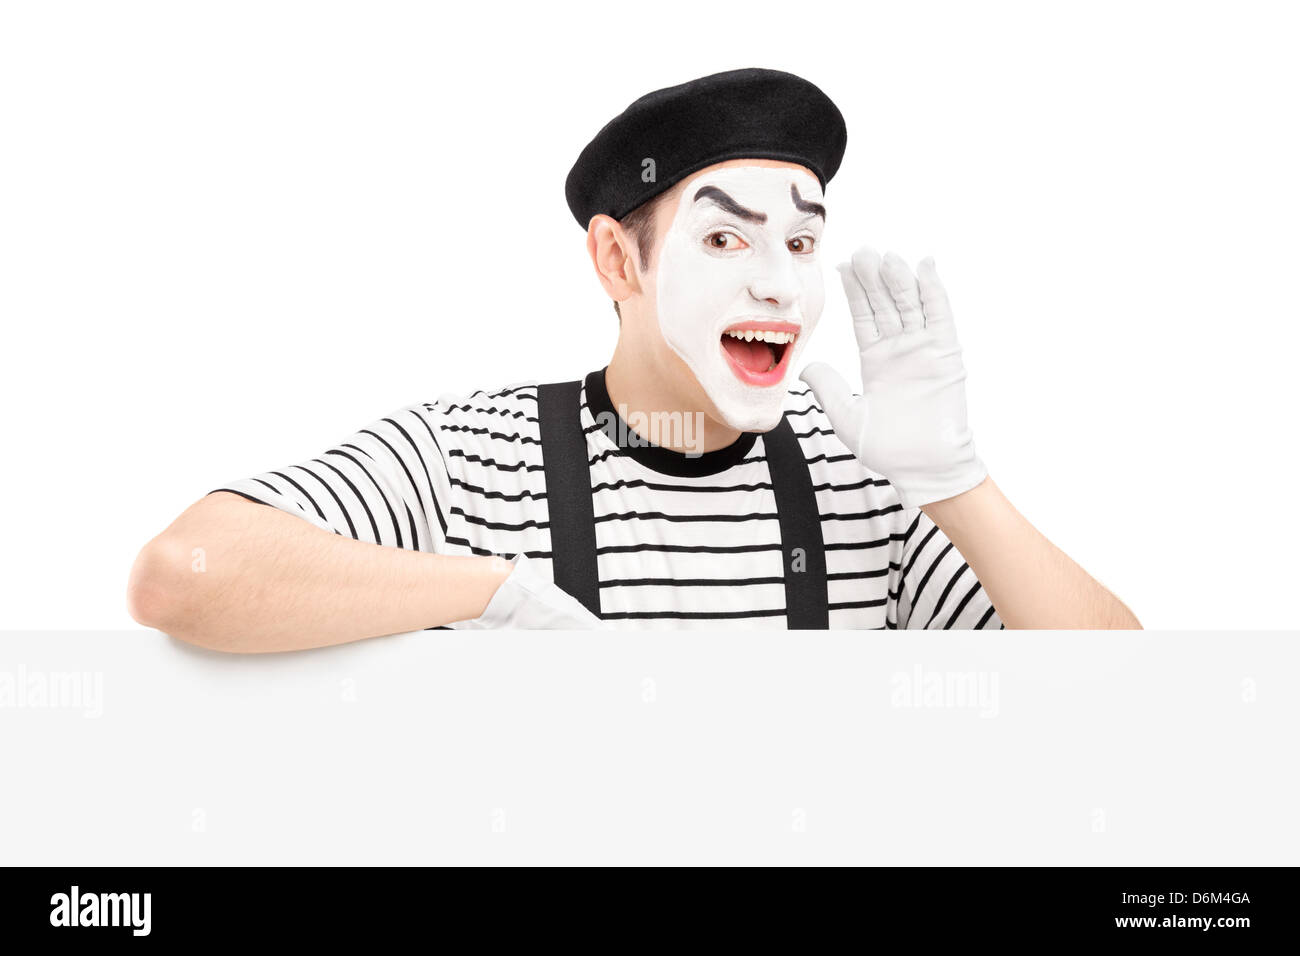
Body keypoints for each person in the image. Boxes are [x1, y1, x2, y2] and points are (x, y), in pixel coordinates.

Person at [127, 67, 1139, 649]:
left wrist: (961, 487)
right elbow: (184, 575)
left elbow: (1135, 709)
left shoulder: (863, 488)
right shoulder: (469, 453)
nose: (780, 286)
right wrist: (485, 587)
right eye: (725, 239)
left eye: (800, 242)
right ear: (619, 259)